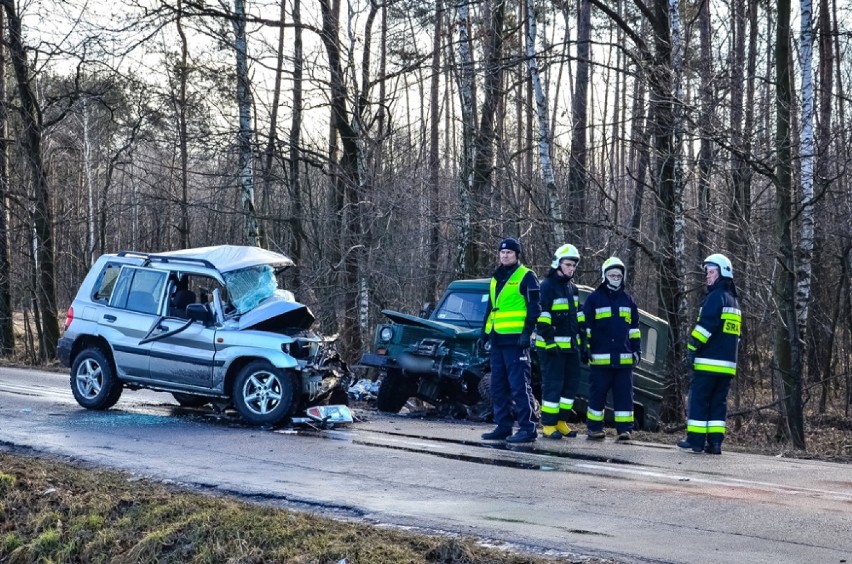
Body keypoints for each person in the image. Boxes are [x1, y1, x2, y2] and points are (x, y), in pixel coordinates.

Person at [678, 254, 742, 455]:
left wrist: (692, 348)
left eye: (711, 272)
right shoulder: (734, 302)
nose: (708, 276)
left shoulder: (715, 298)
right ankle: (715, 443)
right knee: (718, 404)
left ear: (722, 274)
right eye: (707, 272)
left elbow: (705, 327)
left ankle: (695, 441)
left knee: (699, 399)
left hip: (708, 363)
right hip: (727, 367)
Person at [481, 237, 541, 443]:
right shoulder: (496, 277)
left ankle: (528, 428)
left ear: (517, 255)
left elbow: (535, 308)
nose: (505, 255)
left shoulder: (526, 276)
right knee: (498, 386)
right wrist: (484, 333)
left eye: (509, 253)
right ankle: (503, 426)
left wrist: (527, 334)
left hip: (516, 341)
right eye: (502, 252)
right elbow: (491, 309)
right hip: (498, 340)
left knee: (519, 386)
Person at [582, 257, 641, 441]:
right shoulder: (594, 299)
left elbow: (634, 330)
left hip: (624, 362)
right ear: (604, 276)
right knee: (597, 396)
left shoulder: (628, 300)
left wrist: (637, 352)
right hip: (600, 360)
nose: (615, 277)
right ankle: (594, 428)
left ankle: (625, 430)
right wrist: (586, 348)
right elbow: (586, 327)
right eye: (612, 274)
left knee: (624, 397)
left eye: (618, 275)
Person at [535, 244, 586, 439]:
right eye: (568, 264)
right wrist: (549, 342)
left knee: (569, 387)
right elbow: (543, 316)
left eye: (573, 265)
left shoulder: (572, 288)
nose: (571, 269)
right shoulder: (547, 286)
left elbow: (577, 316)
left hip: (570, 348)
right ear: (558, 263)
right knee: (553, 385)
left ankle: (561, 421)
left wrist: (583, 341)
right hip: (551, 348)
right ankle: (548, 425)